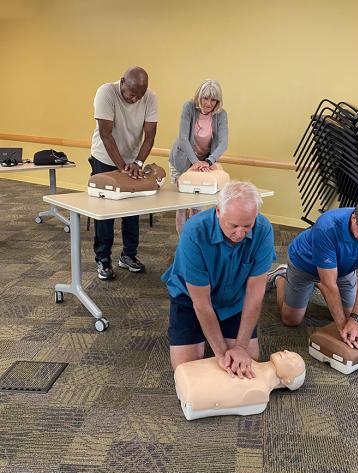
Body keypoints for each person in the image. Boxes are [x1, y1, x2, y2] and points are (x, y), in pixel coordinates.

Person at [161, 181, 275, 378]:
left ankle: (223, 335)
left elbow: (255, 296)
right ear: (218, 212)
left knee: (251, 357)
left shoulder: (264, 229)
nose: (240, 234)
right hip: (190, 299)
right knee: (186, 368)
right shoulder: (194, 231)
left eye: (247, 226)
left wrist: (239, 347)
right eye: (233, 225)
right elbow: (202, 304)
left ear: (255, 216)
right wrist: (222, 354)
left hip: (233, 299)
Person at [268, 196, 358, 351]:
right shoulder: (327, 226)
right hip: (305, 264)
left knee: (349, 316)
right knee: (291, 320)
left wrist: (354, 320)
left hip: (342, 269)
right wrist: (343, 329)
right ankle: (281, 276)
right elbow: (329, 284)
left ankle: (318, 283)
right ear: (354, 218)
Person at [89, 66, 158, 280]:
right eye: (131, 93)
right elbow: (105, 133)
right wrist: (122, 167)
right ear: (122, 82)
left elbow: (149, 136)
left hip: (131, 159)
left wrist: (137, 162)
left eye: (140, 95)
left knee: (132, 210)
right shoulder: (106, 93)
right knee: (105, 212)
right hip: (105, 158)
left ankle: (128, 255)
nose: (135, 99)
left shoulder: (150, 98)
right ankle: (103, 259)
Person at [169, 79, 228, 234]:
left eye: (213, 99)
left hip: (204, 164)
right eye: (205, 98)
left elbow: (223, 143)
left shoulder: (221, 115)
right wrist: (195, 162)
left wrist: (208, 161)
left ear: (218, 101)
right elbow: (183, 138)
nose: (208, 103)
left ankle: (194, 242)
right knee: (181, 206)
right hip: (181, 160)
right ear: (199, 96)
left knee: (197, 206)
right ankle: (183, 244)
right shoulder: (189, 107)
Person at [174, 350, 305, 420]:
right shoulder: (249, 360)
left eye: (293, 359)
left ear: (289, 380)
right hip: (187, 376)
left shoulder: (259, 391)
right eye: (290, 352)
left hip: (193, 394)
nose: (287, 352)